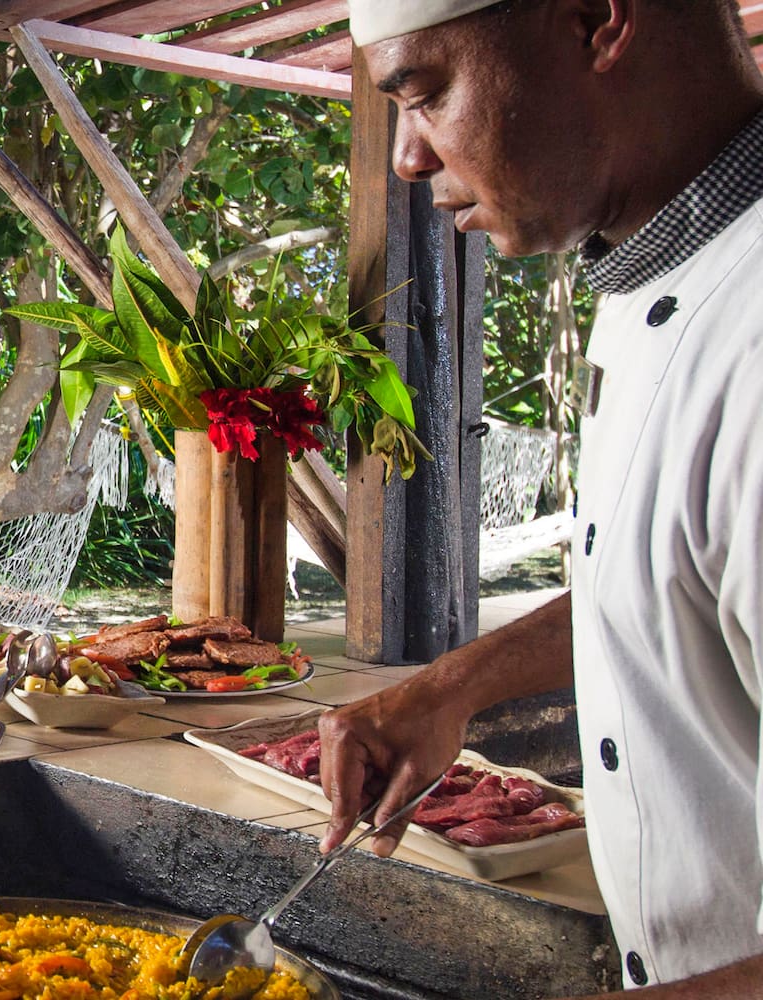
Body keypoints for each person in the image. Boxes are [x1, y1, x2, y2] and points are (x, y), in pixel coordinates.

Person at [321, 0, 763, 994]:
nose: (407, 159)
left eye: (425, 94)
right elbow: (675, 569)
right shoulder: (662, 267)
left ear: (593, 22)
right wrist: (452, 685)